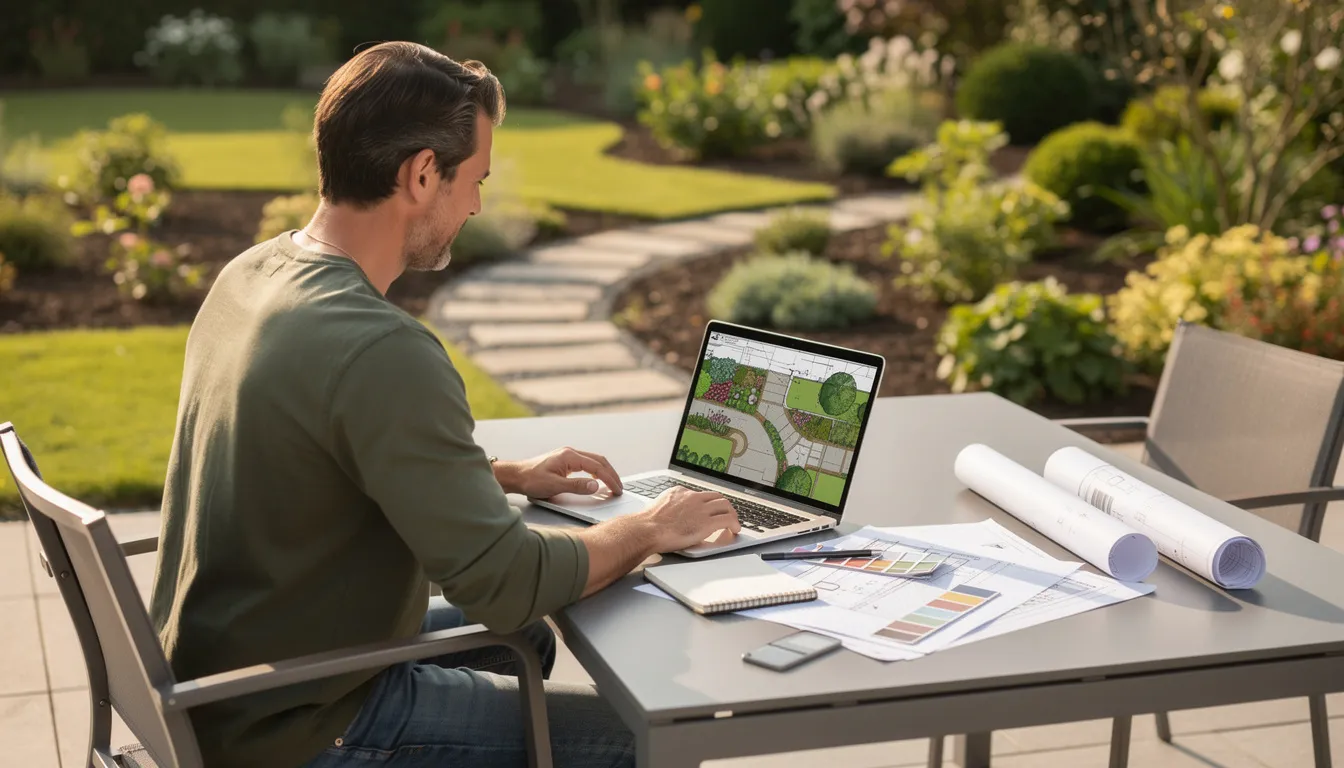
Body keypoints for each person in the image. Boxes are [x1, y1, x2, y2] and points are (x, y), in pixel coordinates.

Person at [149, 41, 741, 768]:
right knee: (642, 742)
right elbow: (506, 581)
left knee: (529, 642)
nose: (478, 204)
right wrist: (652, 527)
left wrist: (503, 475)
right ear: (423, 174)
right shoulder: (381, 348)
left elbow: (326, 450)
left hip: (220, 685)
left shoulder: (251, 276)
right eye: (474, 180)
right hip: (298, 722)